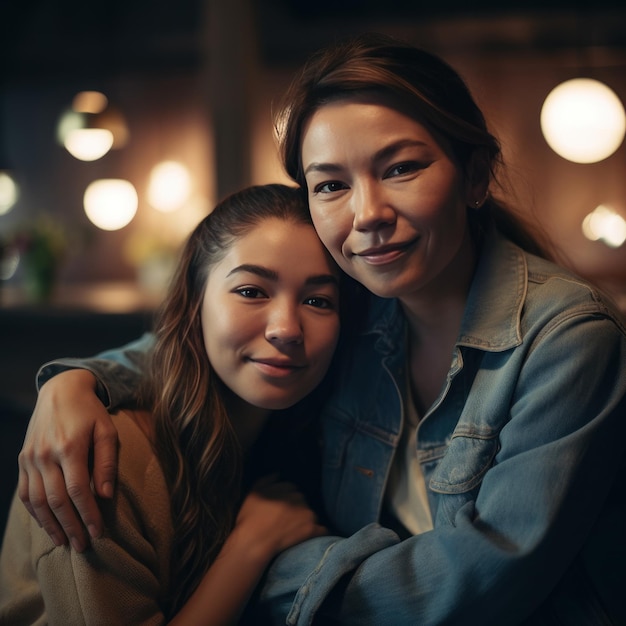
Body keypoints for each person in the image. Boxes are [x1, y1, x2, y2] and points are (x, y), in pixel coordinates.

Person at [15, 33, 626, 625]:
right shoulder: (355, 301)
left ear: (474, 177)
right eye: (332, 184)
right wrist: (73, 383)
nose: (367, 216)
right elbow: (203, 343)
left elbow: (482, 579)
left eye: (402, 168)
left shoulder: (569, 337)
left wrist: (267, 562)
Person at [0, 183, 342, 624]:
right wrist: (250, 547)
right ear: (196, 301)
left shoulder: (310, 434)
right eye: (252, 291)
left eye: (318, 300)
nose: (286, 328)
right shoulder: (105, 456)